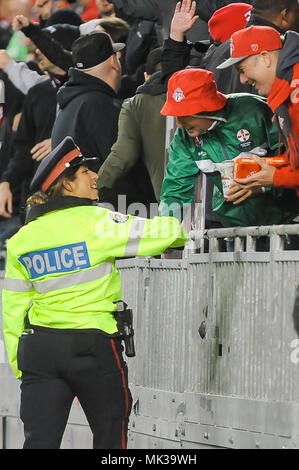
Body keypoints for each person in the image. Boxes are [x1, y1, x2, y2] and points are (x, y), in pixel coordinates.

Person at [2, 135, 188, 449]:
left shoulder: (22, 239)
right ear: (67, 185)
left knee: (39, 443)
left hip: (39, 351)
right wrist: (182, 226)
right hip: (93, 347)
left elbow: (12, 309)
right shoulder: (98, 222)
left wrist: (21, 365)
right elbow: (165, 234)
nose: (94, 177)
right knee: (110, 436)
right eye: (85, 172)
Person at [158, 68, 299, 229]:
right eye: (176, 115)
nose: (179, 124)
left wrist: (263, 185)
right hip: (235, 231)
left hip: (288, 223)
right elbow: (175, 189)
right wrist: (165, 231)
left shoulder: (254, 110)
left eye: (184, 115)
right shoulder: (184, 137)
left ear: (206, 106)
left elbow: (293, 158)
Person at [216, 26, 299, 202]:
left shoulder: (295, 93)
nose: (242, 80)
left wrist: (277, 178)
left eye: (242, 70)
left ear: (265, 58)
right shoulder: (287, 89)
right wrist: (261, 176)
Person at [97, 47, 164, 211]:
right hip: (218, 197)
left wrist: (93, 188)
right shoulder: (203, 92)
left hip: (169, 202)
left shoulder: (136, 105)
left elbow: (124, 153)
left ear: (145, 76)